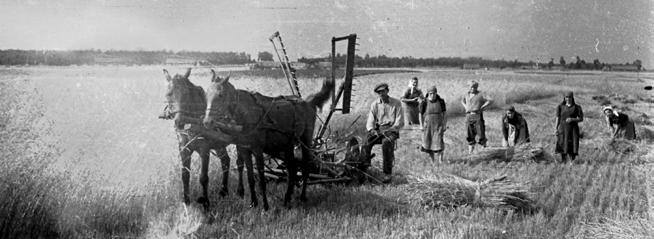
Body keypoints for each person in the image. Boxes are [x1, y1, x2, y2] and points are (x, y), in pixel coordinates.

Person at [361, 83, 403, 183]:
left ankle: (387, 174)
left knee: (386, 144)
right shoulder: (374, 104)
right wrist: (372, 130)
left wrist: (393, 128)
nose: (381, 94)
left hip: (391, 130)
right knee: (366, 142)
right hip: (379, 129)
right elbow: (371, 120)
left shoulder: (396, 103)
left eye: (383, 91)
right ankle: (365, 169)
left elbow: (400, 120)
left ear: (387, 91)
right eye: (379, 92)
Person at [461, 80, 492, 153]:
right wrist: (465, 107)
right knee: (469, 134)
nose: (473, 88)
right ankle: (470, 152)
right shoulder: (466, 94)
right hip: (468, 115)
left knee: (481, 133)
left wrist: (482, 107)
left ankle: (484, 150)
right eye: (471, 87)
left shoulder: (480, 94)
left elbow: (490, 100)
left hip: (477, 115)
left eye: (474, 87)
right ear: (468, 87)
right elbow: (462, 101)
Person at [420, 86, 447, 163]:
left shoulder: (441, 101)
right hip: (428, 125)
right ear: (428, 93)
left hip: (438, 125)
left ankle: (440, 159)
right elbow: (420, 114)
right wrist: (421, 125)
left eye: (434, 93)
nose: (432, 95)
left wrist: (444, 124)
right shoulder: (424, 102)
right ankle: (432, 162)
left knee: (439, 142)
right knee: (428, 143)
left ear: (436, 93)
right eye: (430, 93)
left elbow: (445, 114)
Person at [555, 92, 583, 163]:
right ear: (564, 98)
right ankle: (563, 161)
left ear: (572, 97)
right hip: (562, 128)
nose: (568, 99)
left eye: (569, 97)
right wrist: (556, 128)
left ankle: (571, 161)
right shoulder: (560, 107)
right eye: (566, 97)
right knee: (562, 143)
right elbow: (557, 118)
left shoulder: (577, 107)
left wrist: (572, 119)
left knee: (572, 144)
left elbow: (581, 118)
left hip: (573, 129)